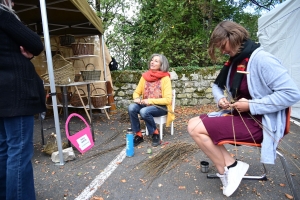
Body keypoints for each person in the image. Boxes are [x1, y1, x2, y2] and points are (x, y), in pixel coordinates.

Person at [187, 21, 300, 197]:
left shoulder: (262, 59)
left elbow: (292, 93)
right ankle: (229, 168)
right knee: (193, 123)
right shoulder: (234, 62)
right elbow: (217, 86)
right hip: (243, 117)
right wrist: (221, 99)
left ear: (233, 37)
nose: (223, 51)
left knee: (195, 128)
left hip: (260, 124)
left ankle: (229, 168)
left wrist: (251, 105)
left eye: (222, 46)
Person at [0, 0, 46, 199]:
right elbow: (36, 44)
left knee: (4, 151)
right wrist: (27, 53)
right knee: (18, 153)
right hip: (15, 94)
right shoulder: (4, 14)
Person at [128, 53, 174, 147]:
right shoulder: (145, 77)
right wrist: (136, 98)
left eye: (156, 61)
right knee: (132, 107)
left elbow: (168, 100)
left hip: (160, 107)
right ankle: (138, 134)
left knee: (144, 111)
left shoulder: (165, 78)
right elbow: (136, 92)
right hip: (147, 105)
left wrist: (150, 101)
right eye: (152, 60)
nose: (152, 62)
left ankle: (155, 134)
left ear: (161, 65)